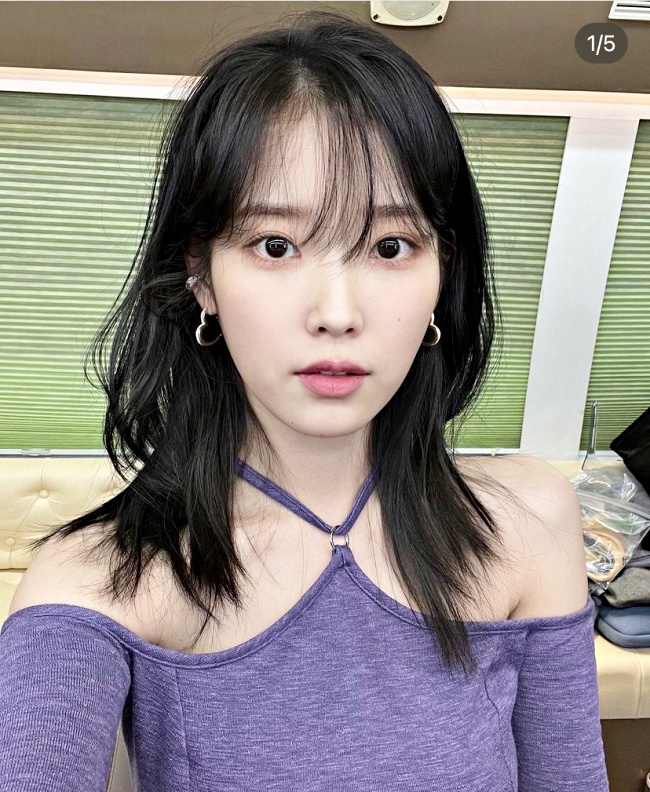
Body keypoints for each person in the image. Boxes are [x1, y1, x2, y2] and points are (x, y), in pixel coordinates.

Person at [0, 10, 609, 791]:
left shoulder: (528, 522)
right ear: (201, 274)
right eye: (276, 245)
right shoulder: (102, 579)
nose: (337, 313)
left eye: (390, 246)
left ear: (441, 272)